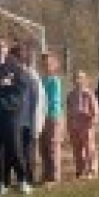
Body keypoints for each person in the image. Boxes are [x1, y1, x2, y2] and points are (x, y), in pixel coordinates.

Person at [0, 35, 31, 195]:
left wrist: (6, 93)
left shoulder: (15, 67)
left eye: (2, 46)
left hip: (11, 114)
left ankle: (22, 180)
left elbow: (21, 88)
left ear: (6, 48)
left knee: (14, 146)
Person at [15, 42, 47, 187]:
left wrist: (36, 120)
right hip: (16, 120)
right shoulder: (15, 74)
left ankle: (28, 178)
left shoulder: (31, 75)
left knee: (26, 151)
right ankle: (22, 178)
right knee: (19, 151)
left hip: (26, 120)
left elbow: (38, 99)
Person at [66, 69, 99, 179]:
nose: (77, 81)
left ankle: (92, 170)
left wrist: (93, 121)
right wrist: (69, 125)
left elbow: (95, 110)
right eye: (75, 78)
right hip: (74, 126)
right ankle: (80, 170)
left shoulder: (89, 94)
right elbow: (69, 111)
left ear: (85, 80)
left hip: (86, 125)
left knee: (89, 148)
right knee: (77, 149)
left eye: (80, 78)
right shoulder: (70, 95)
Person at [39, 51, 65, 184]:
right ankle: (46, 174)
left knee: (53, 146)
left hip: (53, 116)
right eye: (43, 64)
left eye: (49, 64)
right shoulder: (41, 80)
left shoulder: (55, 81)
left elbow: (53, 100)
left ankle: (55, 176)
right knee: (43, 147)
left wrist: (46, 112)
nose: (46, 66)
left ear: (55, 66)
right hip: (42, 118)